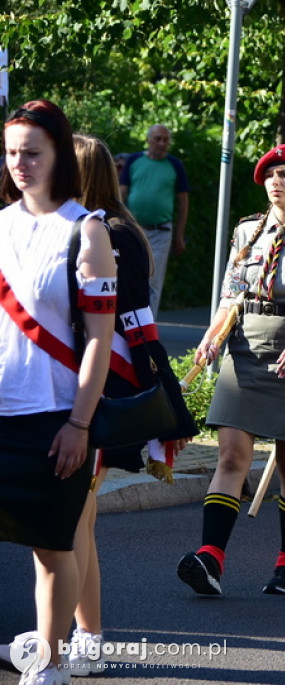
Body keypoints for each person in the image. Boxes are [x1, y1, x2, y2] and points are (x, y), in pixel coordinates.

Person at [176, 143, 285, 597]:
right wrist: (211, 335)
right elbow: (231, 293)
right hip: (245, 349)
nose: (276, 181)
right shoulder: (247, 231)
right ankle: (210, 556)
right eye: (270, 174)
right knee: (230, 454)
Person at [63, 133, 196, 674]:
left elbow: (116, 322)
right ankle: (78, 633)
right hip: (104, 382)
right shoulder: (120, 227)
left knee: (71, 521)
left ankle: (80, 638)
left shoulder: (103, 232)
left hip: (98, 386)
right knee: (78, 520)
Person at [0, 100, 116, 685]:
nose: (20, 163)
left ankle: (50, 660)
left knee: (52, 547)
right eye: (12, 151)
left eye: (33, 152)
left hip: (52, 415)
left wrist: (79, 422)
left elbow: (100, 339)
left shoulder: (86, 229)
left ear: (58, 156)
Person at [118, 124, 189, 318]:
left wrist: (179, 234)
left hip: (161, 232)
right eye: (158, 139)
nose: (162, 143)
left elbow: (183, 202)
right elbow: (121, 194)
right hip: (133, 230)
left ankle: (148, 325)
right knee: (129, 275)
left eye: (165, 140)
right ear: (148, 140)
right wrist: (117, 225)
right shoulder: (134, 161)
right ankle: (127, 322)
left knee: (153, 281)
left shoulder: (175, 165)